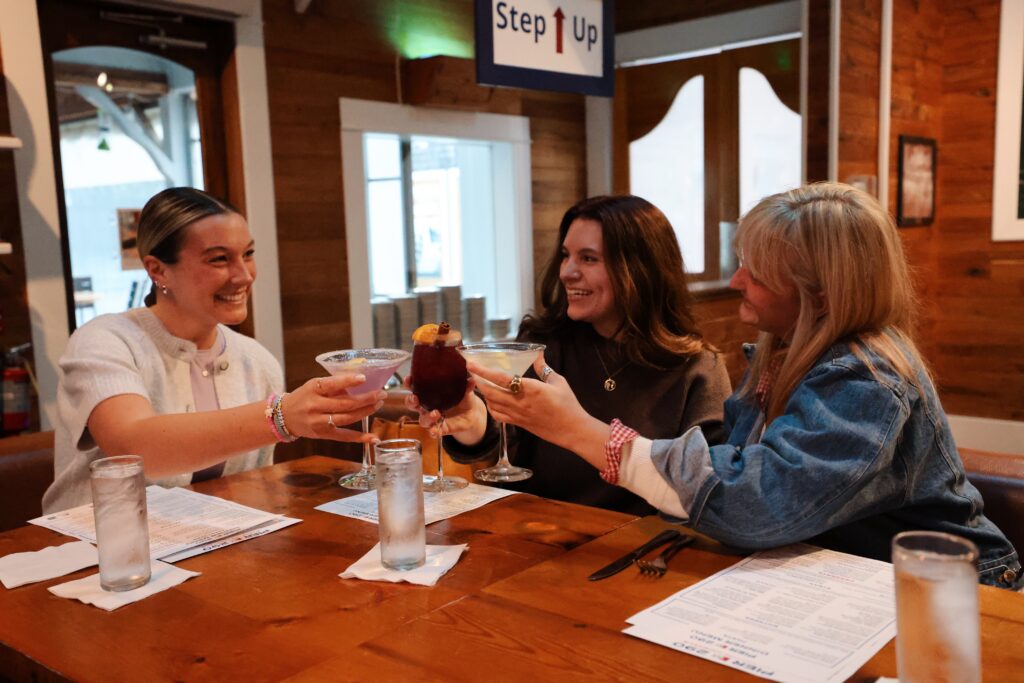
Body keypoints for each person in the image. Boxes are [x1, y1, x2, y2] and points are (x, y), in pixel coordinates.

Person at [467, 182, 1022, 590]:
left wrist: (583, 432)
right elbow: (726, 468)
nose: (735, 281)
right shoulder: (779, 357)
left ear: (819, 293)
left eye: (754, 270)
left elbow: (752, 504)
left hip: (959, 598)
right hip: (849, 582)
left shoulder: (868, 379)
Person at [43, 187, 383, 513]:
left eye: (248, 254)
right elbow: (135, 446)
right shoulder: (105, 340)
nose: (243, 276)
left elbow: (254, 487)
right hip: (93, 553)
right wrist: (280, 417)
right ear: (158, 270)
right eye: (219, 259)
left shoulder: (256, 360)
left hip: (208, 551)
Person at [411, 195, 731, 515]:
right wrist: (474, 422)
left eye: (589, 258)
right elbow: (507, 445)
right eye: (566, 256)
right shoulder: (541, 345)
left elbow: (713, 494)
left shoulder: (698, 369)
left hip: (644, 551)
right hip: (540, 539)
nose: (567, 272)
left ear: (640, 270)